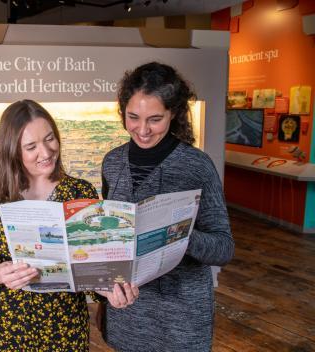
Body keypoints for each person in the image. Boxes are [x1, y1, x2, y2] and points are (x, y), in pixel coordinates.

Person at [0, 99, 138, 351]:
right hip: (3, 329)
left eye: (50, 139)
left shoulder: (79, 191)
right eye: (31, 146)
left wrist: (109, 290)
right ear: (12, 150)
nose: (46, 152)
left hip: (64, 328)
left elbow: (94, 264)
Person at [100, 62, 235, 351]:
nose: (143, 130)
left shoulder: (197, 166)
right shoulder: (112, 162)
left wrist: (180, 235)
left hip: (181, 318)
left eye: (155, 119)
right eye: (133, 117)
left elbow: (224, 248)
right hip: (127, 312)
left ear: (173, 114)